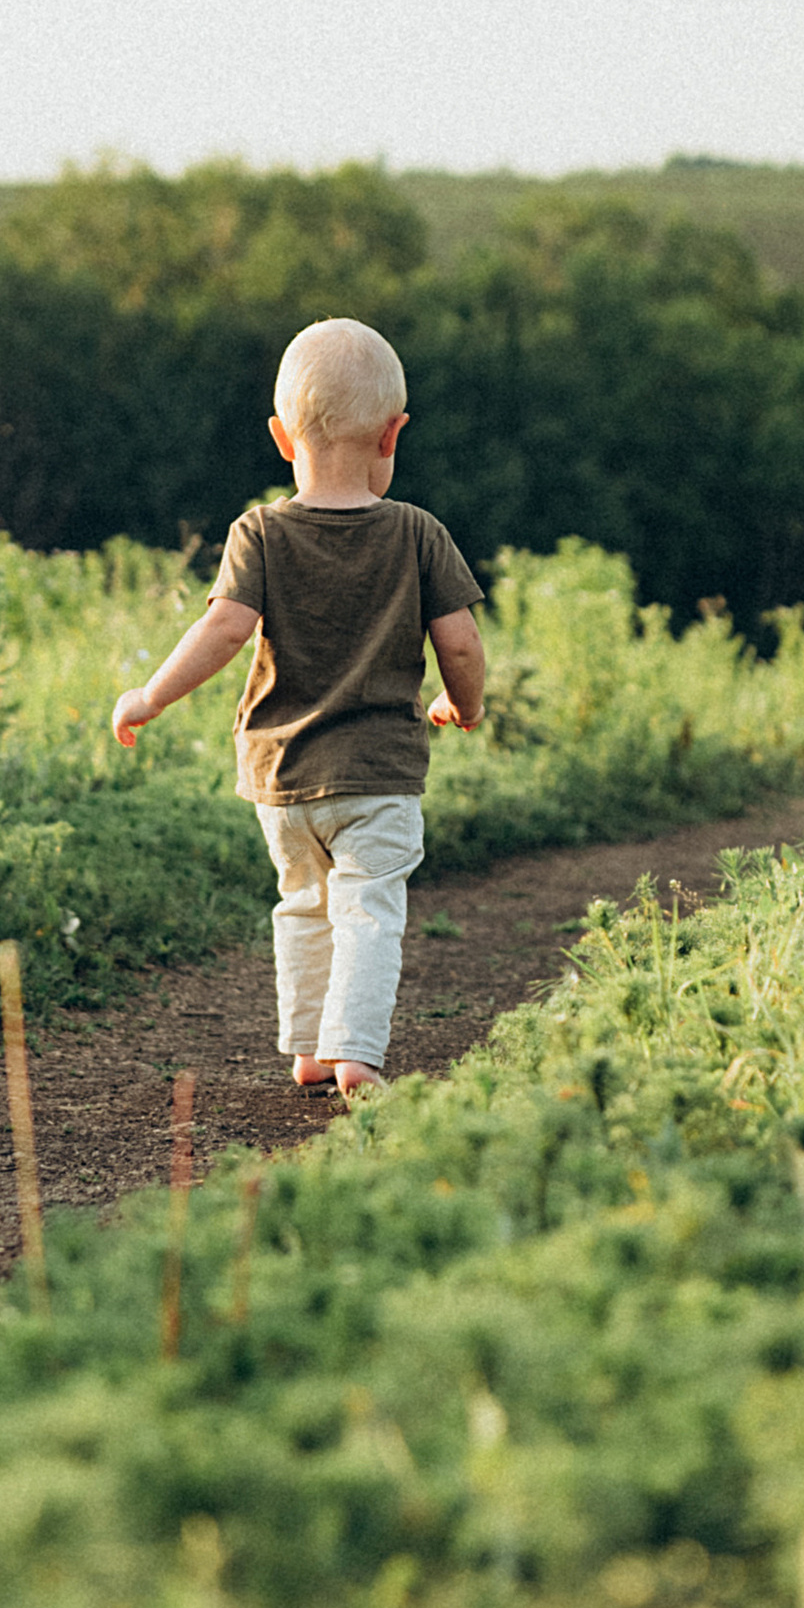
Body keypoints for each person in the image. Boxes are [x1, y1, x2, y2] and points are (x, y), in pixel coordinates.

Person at [111, 316, 486, 1101]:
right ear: (394, 434)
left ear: (283, 437)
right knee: (369, 911)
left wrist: (149, 697)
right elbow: (459, 640)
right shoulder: (419, 533)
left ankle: (310, 1048)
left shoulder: (259, 534)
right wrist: (463, 703)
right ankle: (355, 1054)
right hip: (378, 776)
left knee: (304, 905)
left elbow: (223, 629)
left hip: (281, 777)